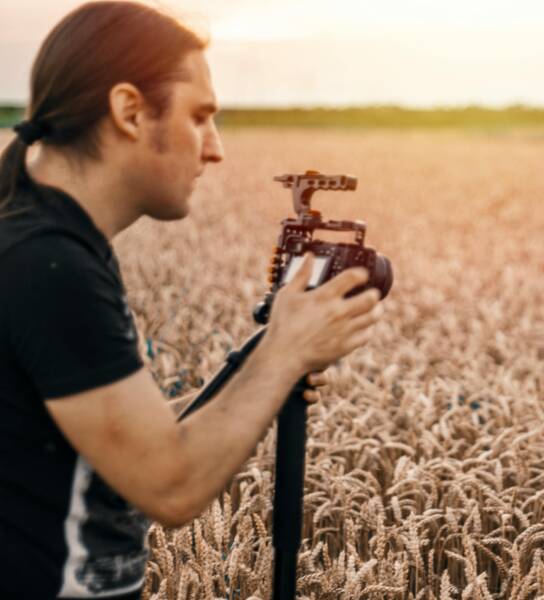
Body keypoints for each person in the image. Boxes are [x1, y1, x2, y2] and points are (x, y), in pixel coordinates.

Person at [0, 3, 381, 598]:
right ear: (129, 111)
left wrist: (271, 364)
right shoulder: (47, 266)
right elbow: (167, 485)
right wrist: (283, 352)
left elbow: (123, 459)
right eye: (200, 117)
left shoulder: (44, 240)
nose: (215, 149)